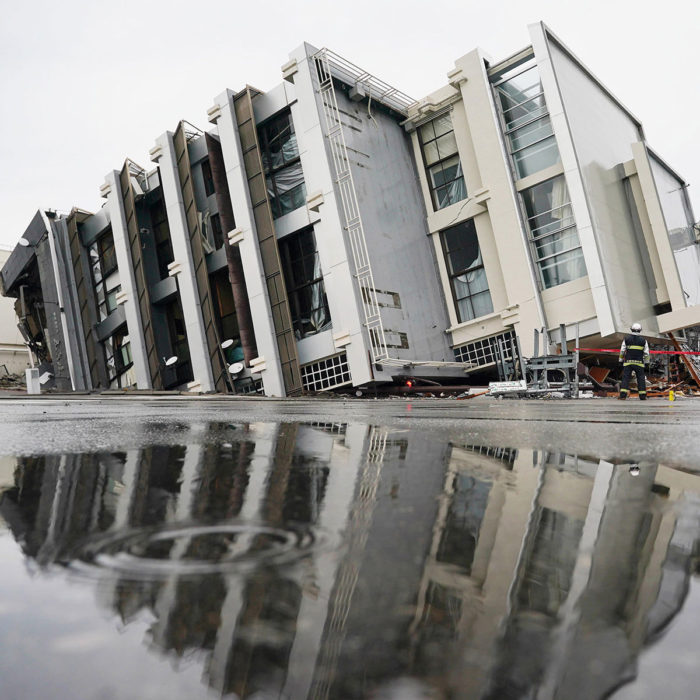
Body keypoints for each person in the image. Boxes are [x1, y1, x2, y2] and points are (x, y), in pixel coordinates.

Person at [618, 323, 650, 400]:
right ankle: (642, 396)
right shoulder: (643, 341)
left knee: (625, 378)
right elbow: (646, 353)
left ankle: (623, 396)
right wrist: (647, 363)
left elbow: (622, 351)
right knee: (641, 379)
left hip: (628, 362)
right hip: (639, 363)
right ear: (640, 330)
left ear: (631, 329)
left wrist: (620, 360)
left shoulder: (626, 339)